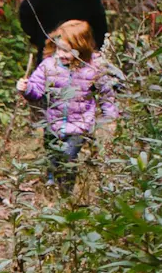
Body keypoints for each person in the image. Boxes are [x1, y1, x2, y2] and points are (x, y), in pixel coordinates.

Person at [16, 17, 118, 191]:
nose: (62, 54)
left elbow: (107, 92)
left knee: (69, 158)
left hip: (80, 125)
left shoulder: (93, 68)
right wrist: (26, 89)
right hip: (53, 123)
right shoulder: (49, 66)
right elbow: (37, 90)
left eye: (68, 50)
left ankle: (66, 192)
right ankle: (51, 182)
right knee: (53, 156)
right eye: (59, 49)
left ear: (81, 48)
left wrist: (110, 116)